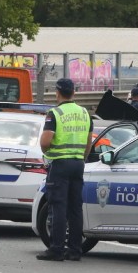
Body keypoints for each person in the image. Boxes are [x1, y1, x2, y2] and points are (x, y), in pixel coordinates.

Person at [36, 78, 93, 261]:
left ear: (57, 93)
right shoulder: (85, 113)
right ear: (74, 93)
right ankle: (75, 250)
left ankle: (57, 249)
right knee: (75, 207)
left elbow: (45, 142)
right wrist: (81, 159)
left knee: (58, 206)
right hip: (78, 164)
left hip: (60, 164)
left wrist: (48, 153)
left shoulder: (54, 113)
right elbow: (88, 143)